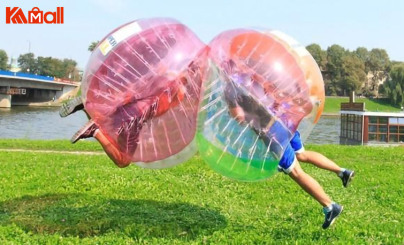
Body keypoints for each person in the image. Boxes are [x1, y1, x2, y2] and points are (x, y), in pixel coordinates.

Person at [224, 75, 355, 229]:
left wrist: (230, 113)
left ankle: (330, 206)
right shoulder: (250, 73)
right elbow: (271, 92)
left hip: (272, 132)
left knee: (296, 172)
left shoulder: (230, 89)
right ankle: (342, 172)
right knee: (302, 154)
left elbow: (239, 117)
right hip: (284, 120)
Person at [60, 75, 187, 168]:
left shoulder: (159, 76)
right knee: (123, 160)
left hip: (124, 108)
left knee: (107, 129)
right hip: (134, 119)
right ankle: (94, 131)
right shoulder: (179, 92)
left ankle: (87, 107)